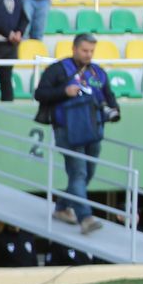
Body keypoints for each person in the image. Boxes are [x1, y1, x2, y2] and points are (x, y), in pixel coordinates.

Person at [33, 34, 122, 233]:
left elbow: (109, 96)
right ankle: (85, 217)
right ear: (74, 49)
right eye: (84, 50)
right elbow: (39, 94)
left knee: (87, 173)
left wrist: (115, 110)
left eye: (91, 51)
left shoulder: (98, 72)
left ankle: (62, 207)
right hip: (67, 130)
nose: (88, 54)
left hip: (94, 130)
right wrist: (65, 91)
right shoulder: (58, 69)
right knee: (78, 173)